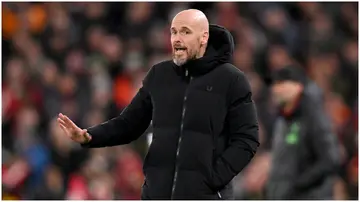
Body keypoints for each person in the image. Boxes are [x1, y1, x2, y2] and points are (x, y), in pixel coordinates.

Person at [58, 9, 259, 200]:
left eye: (185, 32)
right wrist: (89, 136)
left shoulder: (231, 80)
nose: (177, 39)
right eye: (173, 32)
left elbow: (247, 139)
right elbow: (129, 124)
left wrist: (213, 179)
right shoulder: (159, 75)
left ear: (204, 37)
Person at [265, 65, 341, 199]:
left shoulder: (314, 117)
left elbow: (330, 159)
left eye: (282, 84)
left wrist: (299, 185)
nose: (276, 89)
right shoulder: (282, 120)